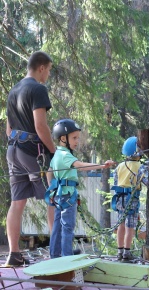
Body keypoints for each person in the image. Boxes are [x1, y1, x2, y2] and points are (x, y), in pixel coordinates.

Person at [5, 51, 56, 266]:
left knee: (17, 202)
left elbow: (9, 130)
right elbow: (40, 126)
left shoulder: (13, 90)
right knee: (53, 197)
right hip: (32, 152)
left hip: (13, 150)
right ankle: (57, 251)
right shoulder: (38, 89)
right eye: (49, 70)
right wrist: (54, 151)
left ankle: (14, 254)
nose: (48, 75)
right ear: (41, 68)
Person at [46, 119, 115, 258]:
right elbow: (81, 165)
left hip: (60, 195)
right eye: (74, 138)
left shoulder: (57, 154)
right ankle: (66, 256)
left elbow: (49, 172)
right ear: (63, 138)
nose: (77, 141)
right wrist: (102, 166)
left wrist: (52, 189)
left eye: (78, 137)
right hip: (68, 196)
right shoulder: (65, 155)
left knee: (58, 226)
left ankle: (55, 254)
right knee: (68, 227)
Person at [112, 136, 149, 262]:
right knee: (130, 226)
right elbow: (147, 181)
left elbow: (116, 181)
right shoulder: (140, 166)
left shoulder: (119, 166)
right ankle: (127, 253)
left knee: (121, 225)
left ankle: (120, 251)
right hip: (131, 199)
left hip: (119, 199)